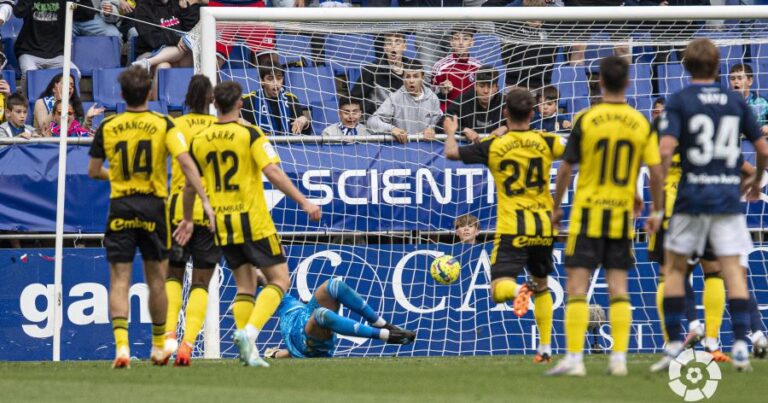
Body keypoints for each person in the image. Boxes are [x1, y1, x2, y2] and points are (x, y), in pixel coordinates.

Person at [176, 80, 321, 367]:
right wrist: (303, 202)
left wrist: (189, 219)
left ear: (215, 104)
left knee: (245, 285)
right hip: (252, 220)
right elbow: (273, 172)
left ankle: (248, 352)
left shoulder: (200, 139)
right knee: (280, 280)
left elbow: (190, 185)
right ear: (240, 103)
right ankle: (248, 333)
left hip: (221, 222)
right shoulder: (250, 134)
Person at [87, 66, 214, 369]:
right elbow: (186, 164)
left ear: (120, 95)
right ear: (150, 93)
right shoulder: (163, 124)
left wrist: (116, 177)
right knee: (158, 279)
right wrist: (205, 201)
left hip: (121, 206)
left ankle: (121, 347)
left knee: (119, 280)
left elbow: (93, 171)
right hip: (155, 207)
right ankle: (160, 344)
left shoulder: (109, 125)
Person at [653, 38, 768, 373]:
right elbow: (762, 150)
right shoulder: (735, 101)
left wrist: (659, 206)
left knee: (674, 270)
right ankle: (739, 345)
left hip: (690, 196)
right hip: (725, 198)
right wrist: (755, 183)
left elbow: (663, 153)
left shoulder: (680, 100)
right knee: (729, 270)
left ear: (686, 66)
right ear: (718, 66)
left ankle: (675, 342)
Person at [548, 56, 664, 377]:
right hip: (620, 215)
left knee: (576, 286)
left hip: (587, 213)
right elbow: (654, 170)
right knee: (619, 287)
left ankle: (574, 358)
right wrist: (655, 207)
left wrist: (557, 206)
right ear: (628, 82)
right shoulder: (640, 121)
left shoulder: (586, 118)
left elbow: (567, 169)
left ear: (599, 83)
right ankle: (619, 359)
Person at [444, 87, 564, 364]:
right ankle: (545, 348)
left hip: (513, 228)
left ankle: (519, 291)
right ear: (533, 114)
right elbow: (575, 153)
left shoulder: (494, 146)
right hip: (543, 227)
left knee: (499, 290)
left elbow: (451, 153)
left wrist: (451, 130)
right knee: (543, 286)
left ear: (505, 112)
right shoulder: (546, 141)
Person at [162, 75, 221, 367]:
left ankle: (169, 334)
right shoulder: (222, 128)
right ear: (212, 99)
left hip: (178, 212)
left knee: (173, 276)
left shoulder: (176, 125)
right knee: (201, 282)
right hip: (211, 212)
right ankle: (187, 344)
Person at [264, 278, 415, 359]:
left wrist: (275, 354)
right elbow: (264, 281)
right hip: (308, 343)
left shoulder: (289, 301)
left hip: (309, 318)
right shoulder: (282, 301)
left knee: (334, 285)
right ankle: (384, 335)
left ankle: (383, 324)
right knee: (320, 314)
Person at [368, 61, 442, 144]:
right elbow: (372, 121)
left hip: (425, 149)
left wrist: (432, 129)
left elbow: (439, 123)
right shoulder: (394, 98)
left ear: (422, 77)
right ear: (403, 78)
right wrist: (392, 129)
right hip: (402, 149)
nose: (411, 81)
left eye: (415, 76)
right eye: (407, 76)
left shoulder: (433, 98)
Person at [350, 31, 414, 117]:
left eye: (397, 42)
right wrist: (374, 110)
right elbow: (354, 99)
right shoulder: (372, 70)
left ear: (404, 47)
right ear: (384, 48)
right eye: (389, 42)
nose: (393, 46)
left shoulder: (413, 70)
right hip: (378, 121)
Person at [240, 61, 312, 136]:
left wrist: (305, 122)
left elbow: (303, 133)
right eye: (270, 79)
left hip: (288, 146)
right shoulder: (249, 100)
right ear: (262, 81)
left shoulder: (291, 99)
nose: (276, 83)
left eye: (279, 78)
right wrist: (237, 121)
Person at [13, 0, 79, 79]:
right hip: (29, 52)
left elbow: (84, 13)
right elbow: (18, 12)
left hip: (56, 54)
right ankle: (25, 91)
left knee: (75, 74)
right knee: (29, 75)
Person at [438, 65, 505, 142]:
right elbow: (442, 124)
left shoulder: (504, 102)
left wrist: (506, 128)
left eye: (490, 87)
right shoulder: (463, 100)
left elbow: (520, 122)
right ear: (475, 86)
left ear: (496, 88)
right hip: (471, 149)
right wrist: (463, 130)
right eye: (482, 86)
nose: (486, 91)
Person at [431, 24, 482, 112]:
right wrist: (441, 91)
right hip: (447, 116)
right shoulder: (440, 67)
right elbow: (431, 96)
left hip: (471, 116)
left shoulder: (479, 67)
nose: (461, 42)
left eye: (465, 39)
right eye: (457, 38)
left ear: (472, 42)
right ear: (451, 42)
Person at [33, 74, 102, 134]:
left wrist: (88, 119)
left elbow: (79, 133)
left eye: (72, 85)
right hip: (45, 146)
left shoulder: (72, 106)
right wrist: (60, 102)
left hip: (69, 146)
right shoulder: (41, 103)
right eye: (66, 83)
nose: (70, 87)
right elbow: (44, 128)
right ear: (54, 88)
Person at [729, 63, 768, 133]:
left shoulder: (762, 102)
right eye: (732, 79)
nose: (736, 82)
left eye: (740, 78)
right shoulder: (726, 102)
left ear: (750, 81)